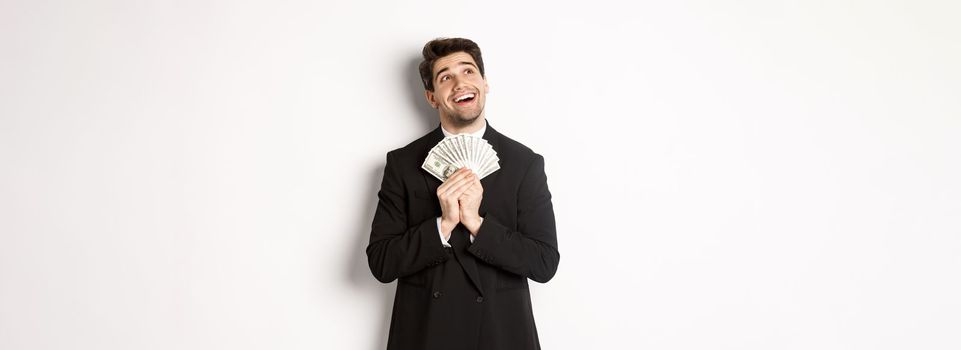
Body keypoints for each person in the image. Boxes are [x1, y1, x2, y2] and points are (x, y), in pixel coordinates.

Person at [367, 37, 560, 350]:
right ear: (431, 96)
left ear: (484, 83)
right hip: (424, 335)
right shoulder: (402, 164)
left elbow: (543, 262)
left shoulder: (524, 164)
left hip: (501, 336)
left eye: (468, 72)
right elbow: (382, 263)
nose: (460, 82)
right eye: (446, 77)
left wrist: (476, 223)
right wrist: (442, 225)